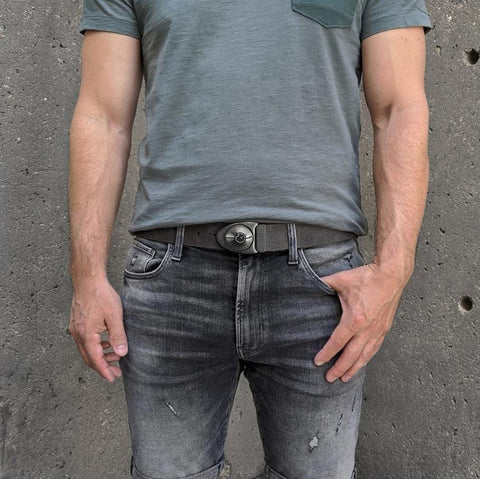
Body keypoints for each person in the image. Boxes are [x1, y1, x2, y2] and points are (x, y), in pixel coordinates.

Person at [68, 1, 432, 478]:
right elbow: (102, 116)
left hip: (322, 285)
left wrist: (394, 271)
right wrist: (86, 275)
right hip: (172, 282)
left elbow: (399, 109)